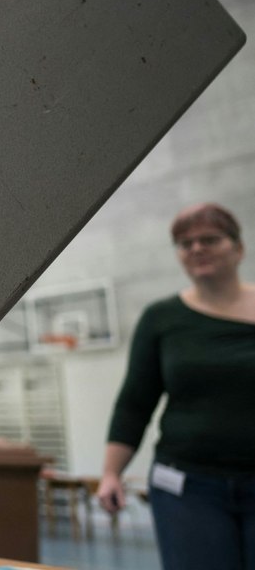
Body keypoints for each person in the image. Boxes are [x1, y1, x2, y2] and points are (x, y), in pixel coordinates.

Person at [97, 202, 255, 570]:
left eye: (209, 239)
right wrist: (110, 474)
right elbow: (135, 403)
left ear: (238, 247)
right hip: (188, 487)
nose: (196, 248)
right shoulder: (161, 319)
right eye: (185, 243)